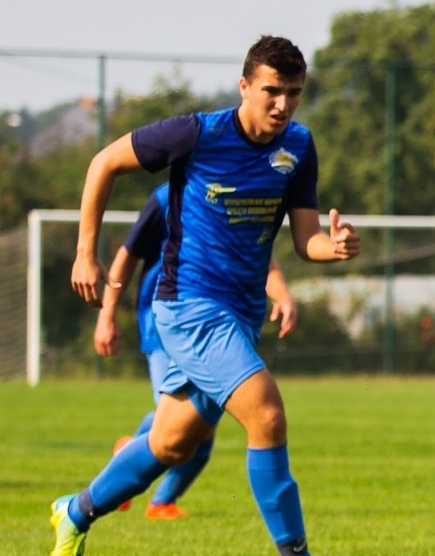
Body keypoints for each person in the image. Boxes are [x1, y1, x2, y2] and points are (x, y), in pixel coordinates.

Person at [49, 34, 363, 556]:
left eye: (293, 93)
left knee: (173, 444)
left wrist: (332, 249)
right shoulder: (196, 134)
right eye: (271, 91)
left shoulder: (299, 147)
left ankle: (76, 511)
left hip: (240, 314)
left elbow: (305, 239)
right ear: (244, 86)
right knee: (266, 412)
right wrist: (84, 252)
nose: (282, 104)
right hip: (188, 306)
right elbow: (103, 164)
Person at [91, 183, 298, 520]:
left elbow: (262, 257)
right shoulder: (164, 198)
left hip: (218, 326)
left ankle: (159, 498)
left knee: (198, 430)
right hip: (168, 320)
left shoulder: (237, 192)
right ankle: (129, 487)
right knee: (187, 423)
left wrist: (283, 296)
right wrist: (107, 314)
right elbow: (128, 255)